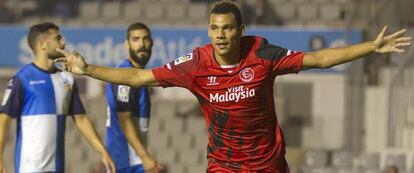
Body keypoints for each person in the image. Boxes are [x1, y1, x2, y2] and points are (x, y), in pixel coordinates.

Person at [56, 1, 412, 172]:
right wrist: (87, 70)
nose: (221, 34)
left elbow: (318, 60)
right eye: (215, 28)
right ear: (209, 31)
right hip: (224, 164)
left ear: (240, 31)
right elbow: (138, 77)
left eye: (227, 28)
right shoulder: (196, 64)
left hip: (269, 163)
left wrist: (371, 47)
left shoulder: (263, 52)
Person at [0, 22, 116, 173]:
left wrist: (103, 152)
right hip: (29, 167)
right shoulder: (22, 79)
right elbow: (4, 119)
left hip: (57, 167)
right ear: (42, 44)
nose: (63, 42)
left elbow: (80, 118)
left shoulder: (67, 79)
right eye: (58, 38)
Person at [105, 22, 161, 173]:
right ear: (126, 44)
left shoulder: (138, 76)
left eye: (145, 39)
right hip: (126, 162)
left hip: (133, 161)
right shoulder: (125, 75)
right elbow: (124, 118)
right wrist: (145, 157)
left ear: (152, 43)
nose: (141, 44)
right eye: (135, 39)